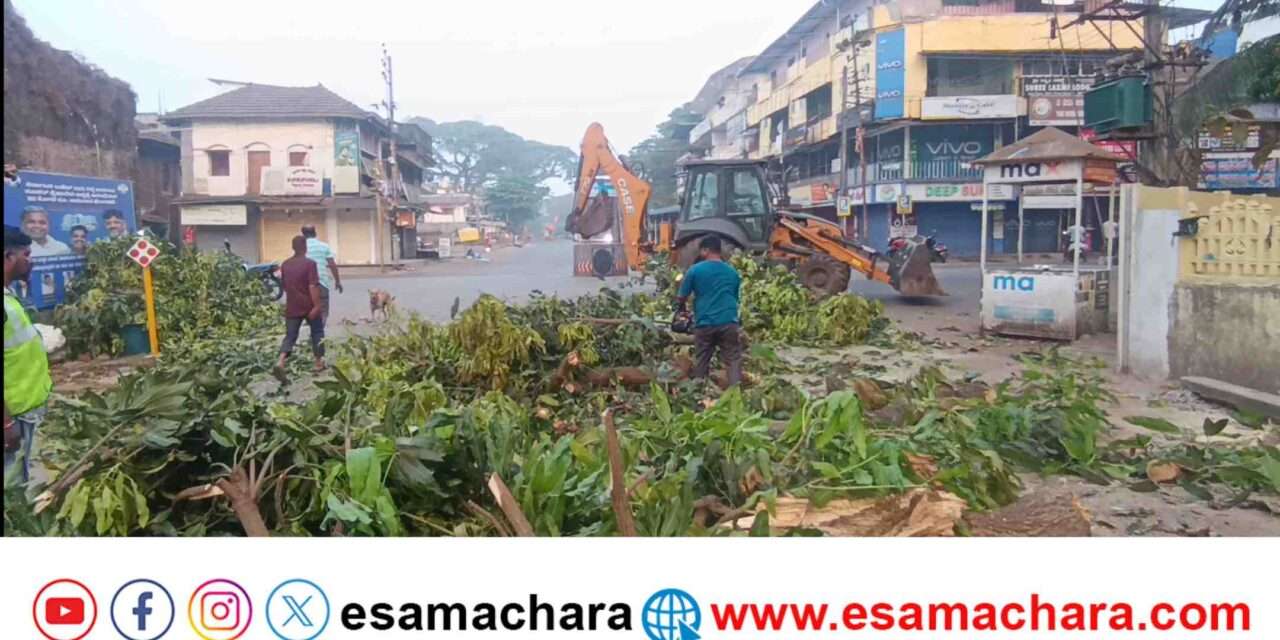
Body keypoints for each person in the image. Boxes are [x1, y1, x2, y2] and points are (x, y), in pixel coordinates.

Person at [4, 226, 53, 483]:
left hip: (28, 410)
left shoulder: (10, 296)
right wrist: (6, 424)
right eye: (26, 254)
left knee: (31, 481)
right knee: (13, 488)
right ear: (8, 256)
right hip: (15, 416)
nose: (30, 260)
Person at [675, 235, 743, 387]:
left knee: (702, 359)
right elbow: (734, 297)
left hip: (705, 323)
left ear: (705, 250)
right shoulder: (732, 272)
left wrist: (682, 309)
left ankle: (699, 390)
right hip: (729, 322)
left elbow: (681, 296)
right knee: (733, 359)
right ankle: (736, 392)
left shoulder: (695, 270)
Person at [276, 235, 325, 375]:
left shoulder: (285, 264)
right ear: (305, 247)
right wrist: (317, 306)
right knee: (317, 332)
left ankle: (280, 361)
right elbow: (313, 286)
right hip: (309, 305)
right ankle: (318, 362)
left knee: (290, 335)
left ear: (293, 247)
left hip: (293, 305)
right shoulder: (310, 264)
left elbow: (284, 285)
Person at [300, 225, 342, 320]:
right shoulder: (324, 246)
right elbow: (332, 265)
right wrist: (337, 281)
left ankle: (312, 326)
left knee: (308, 308)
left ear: (303, 235)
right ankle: (320, 327)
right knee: (323, 310)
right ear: (315, 233)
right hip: (322, 282)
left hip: (305, 283)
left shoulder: (301, 248)